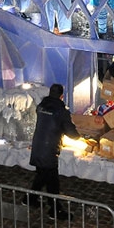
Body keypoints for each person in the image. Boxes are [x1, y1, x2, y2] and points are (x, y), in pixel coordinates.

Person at [24, 83, 81, 221]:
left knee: (42, 176)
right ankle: (55, 211)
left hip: (38, 146)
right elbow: (70, 131)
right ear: (62, 96)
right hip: (49, 150)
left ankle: (29, 200)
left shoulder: (41, 106)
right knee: (52, 182)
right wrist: (80, 136)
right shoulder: (61, 111)